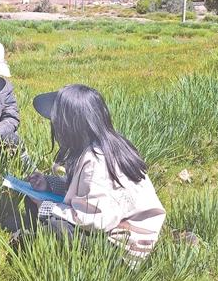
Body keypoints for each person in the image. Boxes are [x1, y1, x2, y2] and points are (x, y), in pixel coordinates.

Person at [24, 84, 166, 261]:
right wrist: (49, 184)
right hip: (131, 232)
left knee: (54, 224)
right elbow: (87, 190)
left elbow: (96, 220)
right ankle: (34, 239)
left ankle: (35, 247)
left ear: (71, 126)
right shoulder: (109, 145)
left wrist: (45, 206)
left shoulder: (95, 161)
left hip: (122, 248)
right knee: (42, 206)